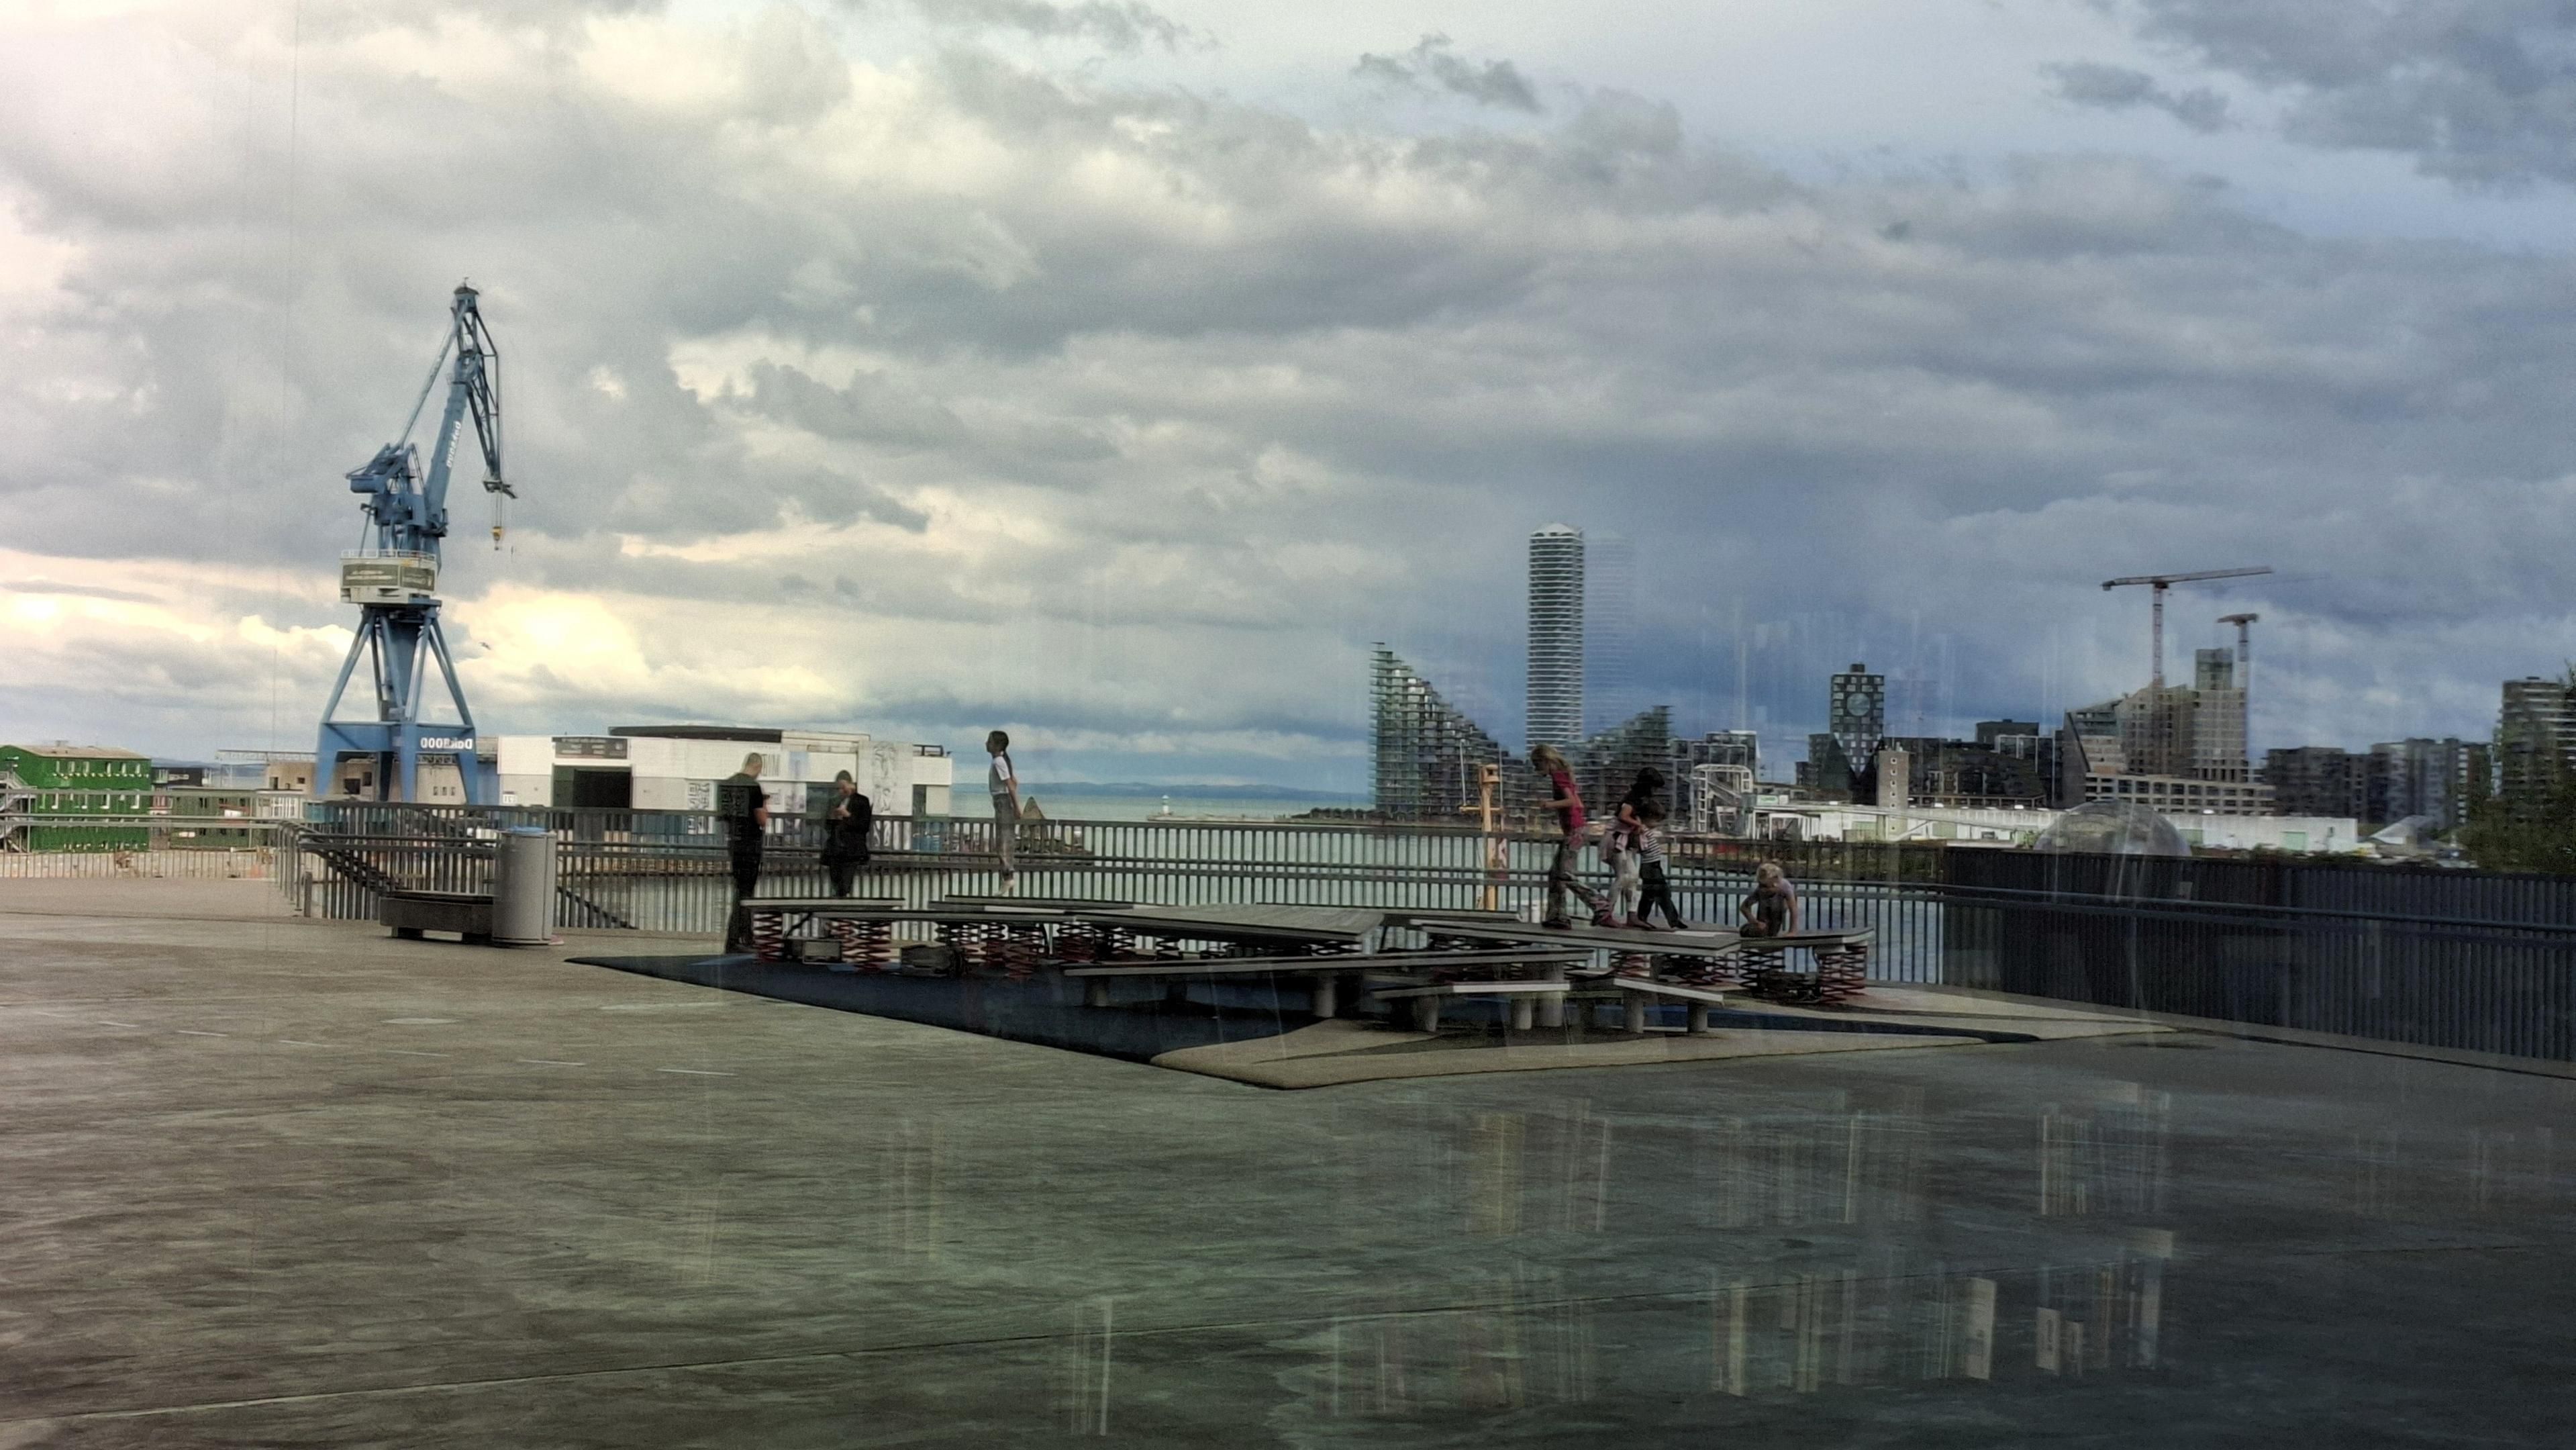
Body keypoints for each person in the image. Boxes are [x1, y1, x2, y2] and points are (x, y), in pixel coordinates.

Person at [1532, 745, 1609, 928]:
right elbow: (1580, 804)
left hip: (1575, 830)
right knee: (1555, 874)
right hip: (1576, 829)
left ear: (1547, 761)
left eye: (1537, 764)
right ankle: (1557, 916)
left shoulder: (1559, 777)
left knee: (1565, 874)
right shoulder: (1564, 775)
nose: (1536, 769)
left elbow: (1572, 802)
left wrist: (1549, 805)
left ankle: (1600, 904)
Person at [717, 752, 770, 951]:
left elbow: (723, 816)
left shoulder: (727, 784)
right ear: (757, 767)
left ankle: (745, 936)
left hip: (733, 842)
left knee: (740, 889)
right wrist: (765, 804)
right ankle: (736, 940)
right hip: (750, 843)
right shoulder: (753, 787)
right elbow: (761, 819)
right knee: (746, 892)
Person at [1604, 766, 1663, 929]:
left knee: (1633, 877)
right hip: (1618, 839)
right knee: (1624, 876)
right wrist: (1639, 825)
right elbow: (1623, 816)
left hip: (1625, 840)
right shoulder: (1633, 798)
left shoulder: (1638, 797)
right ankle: (1605, 912)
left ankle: (1632, 914)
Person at [1631, 800, 1687, 930]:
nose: (1656, 825)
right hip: (1650, 867)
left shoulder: (1643, 829)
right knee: (1660, 893)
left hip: (1652, 866)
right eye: (1655, 821)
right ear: (1647, 818)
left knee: (1651, 895)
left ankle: (1644, 919)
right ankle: (1671, 920)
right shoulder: (1641, 830)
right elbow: (1640, 845)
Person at [821, 769, 873, 898]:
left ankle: (841, 905)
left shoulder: (862, 801)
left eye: (843, 787)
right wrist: (832, 817)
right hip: (835, 848)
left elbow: (864, 826)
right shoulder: (834, 801)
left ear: (851, 785)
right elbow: (826, 825)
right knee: (835, 883)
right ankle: (836, 906)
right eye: (838, 788)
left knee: (845, 885)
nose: (841, 791)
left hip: (852, 849)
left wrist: (848, 816)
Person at [987, 730, 1021, 887]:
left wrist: (1016, 807)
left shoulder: (999, 762)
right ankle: (1007, 877)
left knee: (1004, 841)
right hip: (1001, 801)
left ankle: (1008, 878)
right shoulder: (1001, 761)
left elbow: (1011, 785)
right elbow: (1015, 782)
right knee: (1004, 841)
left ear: (997, 745)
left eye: (990, 741)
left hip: (1002, 801)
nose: (987, 744)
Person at [1739, 860, 1801, 938]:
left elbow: (1793, 909)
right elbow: (1744, 907)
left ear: (1775, 882)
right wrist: (1755, 922)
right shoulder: (1761, 890)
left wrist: (1792, 931)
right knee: (1759, 930)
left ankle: (1770, 930)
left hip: (1778, 910)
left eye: (1765, 886)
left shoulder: (1785, 886)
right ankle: (1761, 929)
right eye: (1761, 886)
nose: (1764, 889)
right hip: (1764, 917)